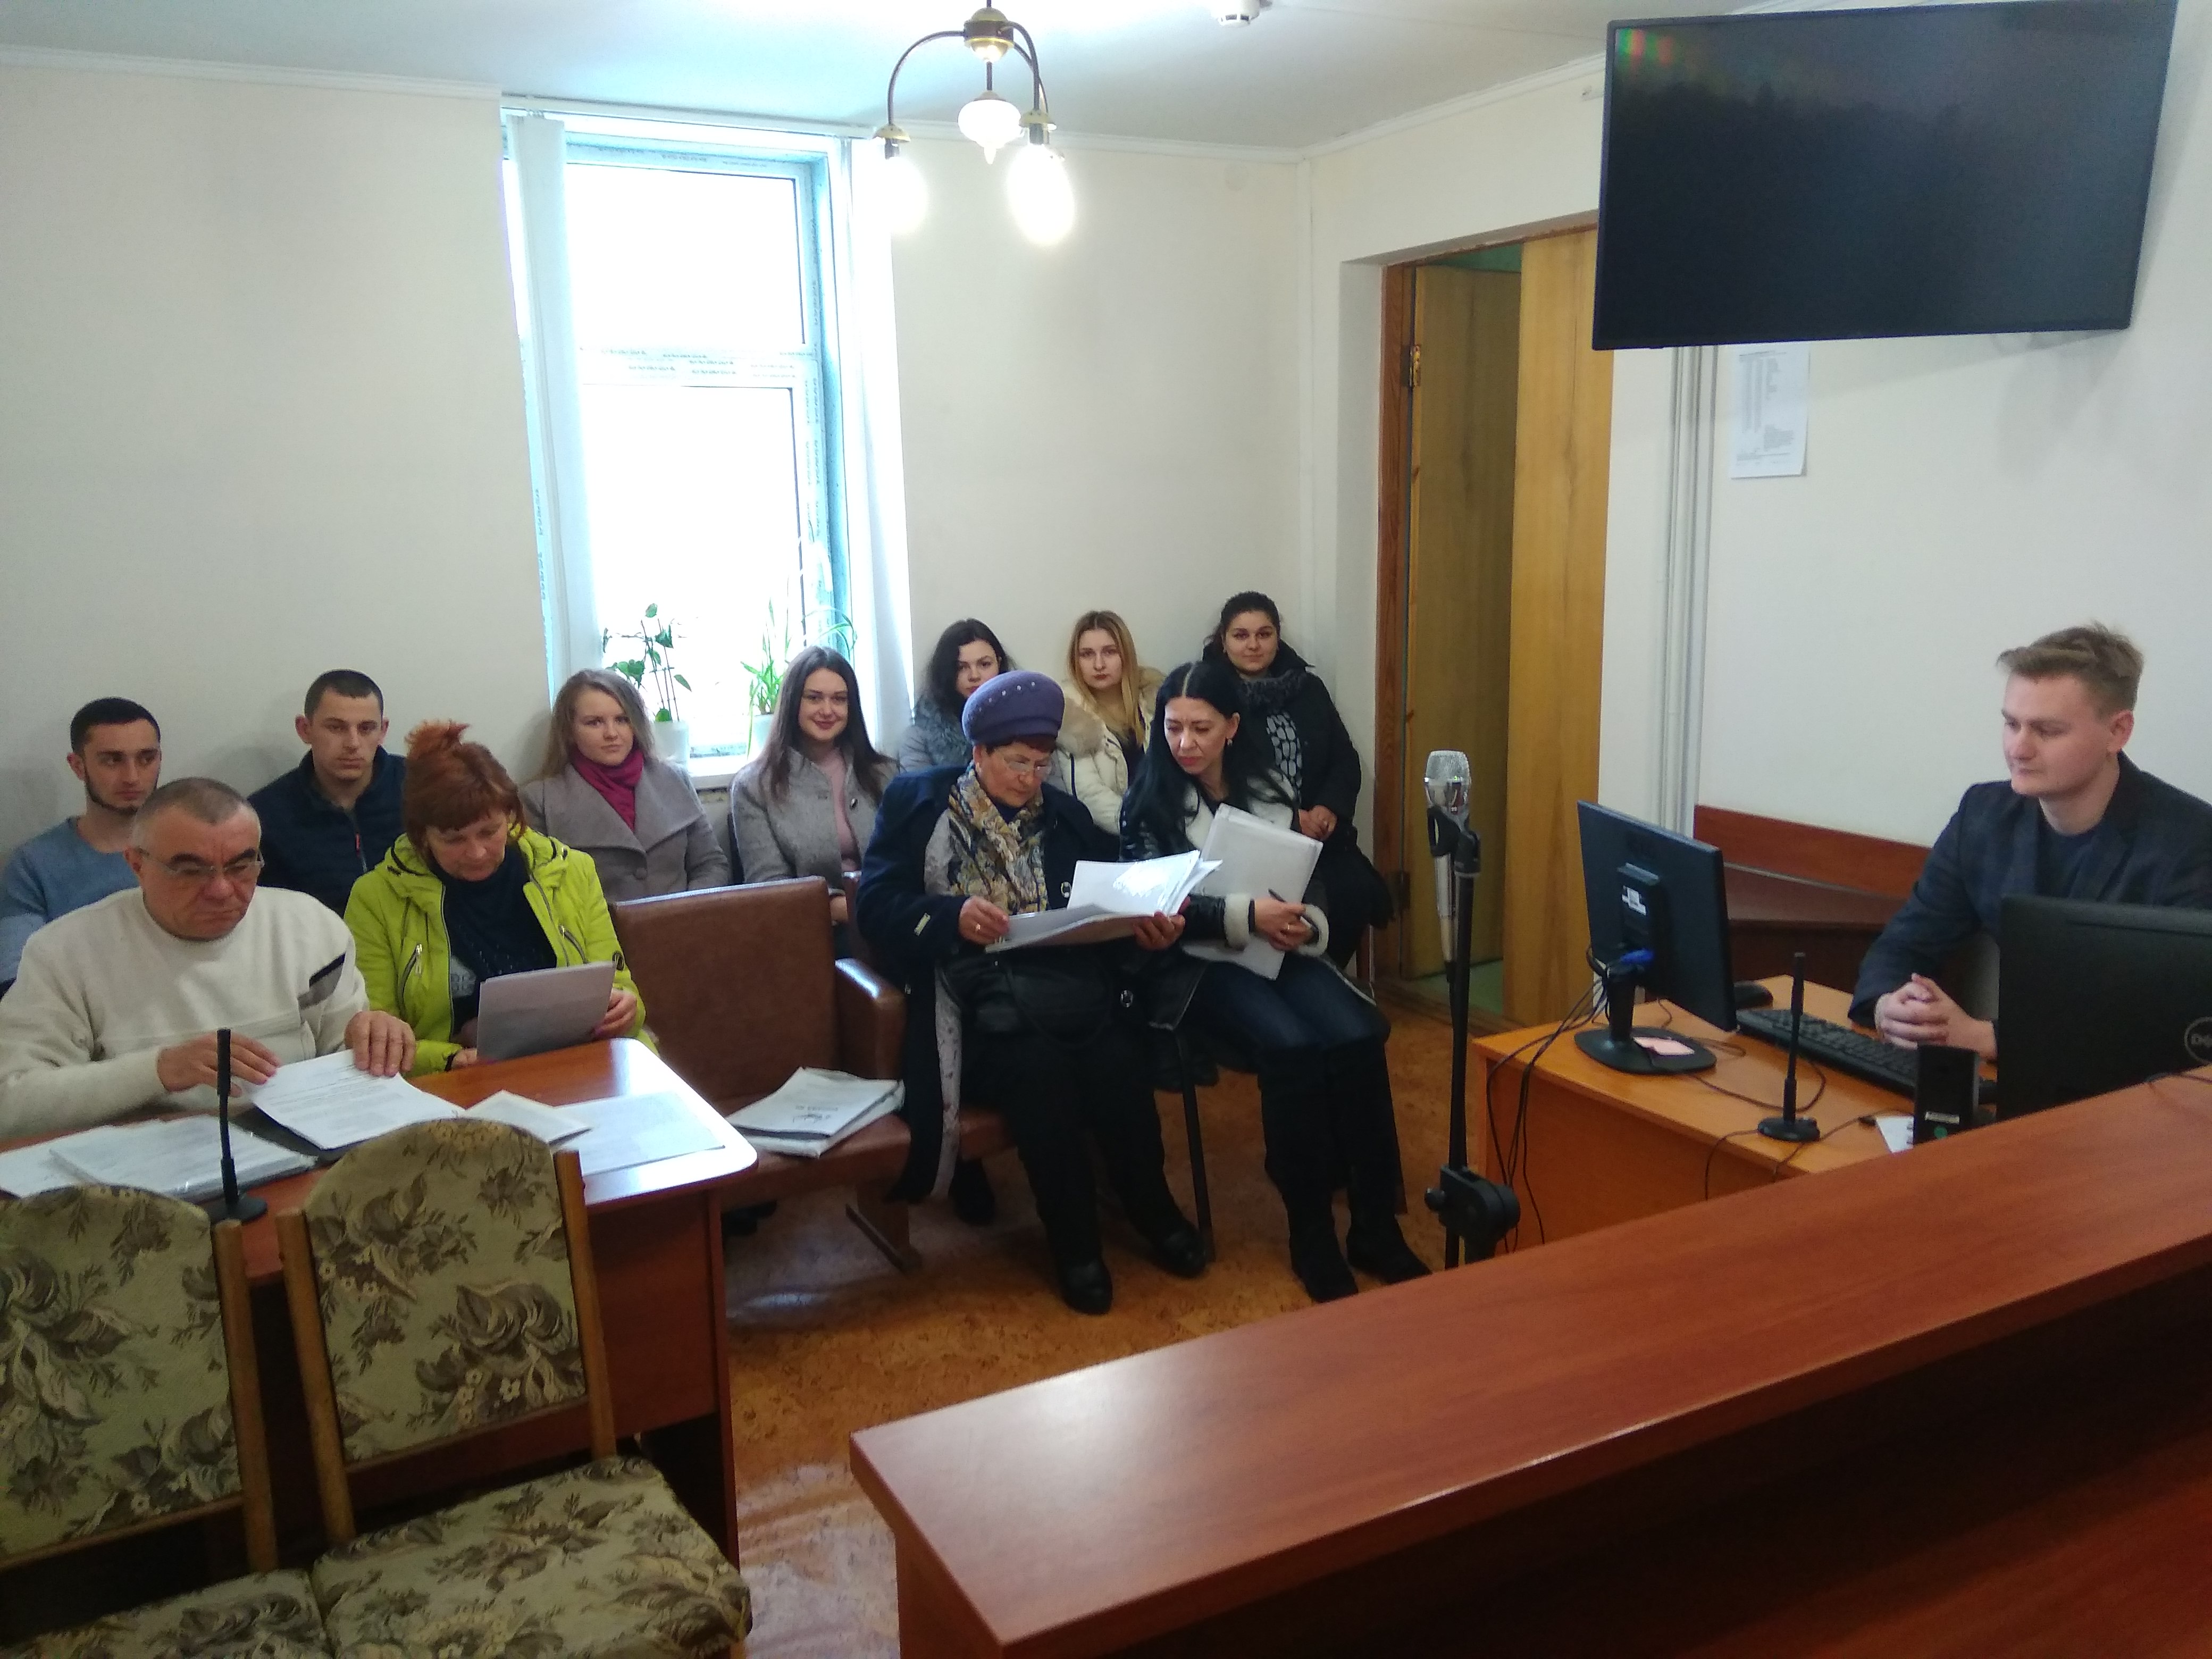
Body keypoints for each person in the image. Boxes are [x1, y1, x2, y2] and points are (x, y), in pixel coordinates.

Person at [858, 669, 1205, 1314]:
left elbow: (1104, 907)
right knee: (1040, 1077)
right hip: (974, 1006)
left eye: (1041, 764)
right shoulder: (919, 803)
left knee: (1119, 1066)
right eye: (1016, 762)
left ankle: (1152, 1211)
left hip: (1068, 990)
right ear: (978, 752)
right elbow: (875, 906)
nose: (1030, 778)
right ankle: (1075, 1246)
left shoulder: (1064, 817)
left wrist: (1142, 932)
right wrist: (950, 915)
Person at [1122, 658, 1428, 1304]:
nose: (1185, 743)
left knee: (1359, 1034)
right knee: (1291, 1048)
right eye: (1173, 728)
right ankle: (1310, 1236)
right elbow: (1159, 904)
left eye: (1201, 728)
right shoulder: (1147, 803)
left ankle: (1374, 1227)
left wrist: (1302, 921)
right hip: (1196, 966)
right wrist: (1245, 915)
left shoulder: (1266, 786)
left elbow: (1307, 875)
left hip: (1274, 947)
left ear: (1232, 727)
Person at [1853, 624, 2212, 1060]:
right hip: (2013, 1077)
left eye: (2047, 730)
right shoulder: (1983, 815)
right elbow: (1907, 943)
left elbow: (2178, 1018)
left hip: (2131, 1086)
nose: (2018, 749)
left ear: (2117, 732)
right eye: (2011, 724)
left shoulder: (2191, 842)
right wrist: (1890, 1007)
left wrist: (1989, 1039)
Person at [0, 778, 415, 1139]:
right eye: (190, 870)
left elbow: (343, 1052)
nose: (220, 890)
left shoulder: (310, 927)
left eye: (241, 866)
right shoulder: (66, 952)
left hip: (294, 1148)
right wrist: (159, 1070)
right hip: (142, 1169)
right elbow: (13, 1104)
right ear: (136, 864)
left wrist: (371, 1037)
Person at [347, 722, 646, 1076]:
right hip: (458, 1078)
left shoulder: (571, 872)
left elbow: (623, 991)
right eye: (454, 839)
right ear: (420, 836)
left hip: (580, 1060)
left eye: (490, 832)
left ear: (511, 816)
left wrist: (624, 1009)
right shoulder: (376, 898)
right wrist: (449, 1059)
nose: (477, 852)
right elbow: (377, 1037)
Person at [1203, 592, 1393, 963]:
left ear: (1278, 637)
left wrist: (1328, 808)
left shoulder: (1308, 688)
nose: (1254, 645)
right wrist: (1291, 820)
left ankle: (1330, 976)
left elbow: (1344, 758)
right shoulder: (1210, 694)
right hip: (1255, 836)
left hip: (1320, 836)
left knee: (1353, 892)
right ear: (1223, 641)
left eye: (1264, 634)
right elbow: (1219, 775)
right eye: (1241, 635)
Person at [521, 669, 728, 903]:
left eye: (622, 720)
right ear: (569, 732)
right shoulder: (540, 800)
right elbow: (543, 894)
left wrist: (686, 912)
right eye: (595, 723)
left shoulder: (674, 779)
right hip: (596, 926)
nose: (612, 734)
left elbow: (711, 864)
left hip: (683, 921)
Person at [729, 647, 892, 946]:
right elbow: (770, 887)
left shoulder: (884, 773)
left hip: (890, 918)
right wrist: (849, 909)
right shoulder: (753, 786)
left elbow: (905, 859)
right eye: (814, 698)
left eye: (839, 699)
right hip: (808, 931)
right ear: (793, 703)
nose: (827, 711)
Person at [0, 699, 163, 991]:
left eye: (146, 758)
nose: (132, 777)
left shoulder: (199, 848)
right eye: (112, 760)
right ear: (78, 766)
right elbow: (18, 983)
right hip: (82, 1013)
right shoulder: (33, 865)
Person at [250, 669, 407, 916]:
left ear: (383, 731)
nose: (353, 743)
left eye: (366, 728)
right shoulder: (266, 816)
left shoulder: (424, 788)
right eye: (336, 728)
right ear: (305, 729)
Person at [1056, 609, 1163, 835]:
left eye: (1110, 652)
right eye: (1087, 654)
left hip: (1167, 824)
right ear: (1076, 662)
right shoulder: (1070, 715)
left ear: (1126, 655)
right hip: (1111, 838)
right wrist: (1143, 830)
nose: (1099, 664)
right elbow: (1089, 794)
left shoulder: (1156, 701)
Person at [898, 619, 1013, 772]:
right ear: (946, 672)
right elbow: (918, 787)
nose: (974, 676)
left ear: (999, 664)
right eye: (961, 668)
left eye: (985, 664)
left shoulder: (1027, 724)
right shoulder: (919, 738)